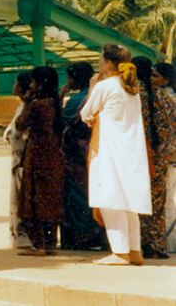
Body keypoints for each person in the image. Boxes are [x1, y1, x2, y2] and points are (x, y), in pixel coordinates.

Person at [80, 43, 151, 265]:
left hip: (109, 149)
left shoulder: (104, 86)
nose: (99, 64)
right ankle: (134, 250)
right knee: (128, 198)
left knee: (110, 197)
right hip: (130, 150)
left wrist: (93, 87)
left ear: (109, 63)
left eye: (101, 60)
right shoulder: (132, 87)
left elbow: (85, 113)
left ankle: (120, 252)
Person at [16, 66, 65, 256]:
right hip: (53, 158)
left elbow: (21, 125)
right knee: (51, 201)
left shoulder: (37, 105)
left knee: (33, 201)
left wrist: (27, 102)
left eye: (34, 82)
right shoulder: (55, 103)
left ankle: (39, 245)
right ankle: (51, 244)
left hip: (36, 158)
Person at [59, 62, 106, 250]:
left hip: (74, 155)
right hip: (93, 150)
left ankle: (82, 236)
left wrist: (62, 92)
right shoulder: (98, 95)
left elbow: (61, 120)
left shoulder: (77, 99)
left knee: (76, 196)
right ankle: (97, 234)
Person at [135, 56, 174, 258]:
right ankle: (157, 245)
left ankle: (141, 243)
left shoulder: (134, 95)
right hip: (160, 154)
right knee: (157, 201)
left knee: (140, 198)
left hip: (142, 154)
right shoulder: (162, 96)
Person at [3, 71, 33, 249]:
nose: (13, 86)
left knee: (22, 199)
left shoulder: (28, 106)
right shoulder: (21, 106)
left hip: (23, 159)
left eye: (15, 83)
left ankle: (25, 238)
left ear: (21, 87)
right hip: (17, 158)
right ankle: (18, 237)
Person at [153, 62, 176, 254]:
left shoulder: (164, 99)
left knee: (168, 199)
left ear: (166, 79)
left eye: (155, 75)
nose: (151, 79)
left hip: (168, 156)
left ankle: (170, 242)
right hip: (172, 155)